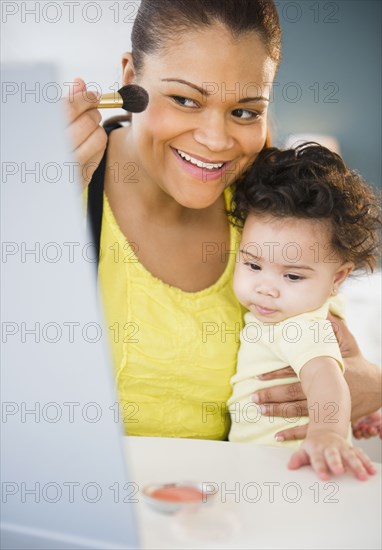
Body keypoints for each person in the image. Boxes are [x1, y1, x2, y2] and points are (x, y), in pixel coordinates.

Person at [65, 0, 381, 441]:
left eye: (245, 111)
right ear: (131, 79)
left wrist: (375, 386)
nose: (215, 140)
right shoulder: (63, 182)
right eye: (185, 100)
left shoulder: (278, 210)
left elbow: (338, 360)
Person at [227, 144, 381, 480]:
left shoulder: (299, 325)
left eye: (292, 275)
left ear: (337, 278)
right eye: (253, 264)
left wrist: (327, 432)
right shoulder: (303, 307)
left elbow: (323, 377)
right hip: (269, 463)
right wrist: (348, 418)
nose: (266, 287)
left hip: (288, 467)